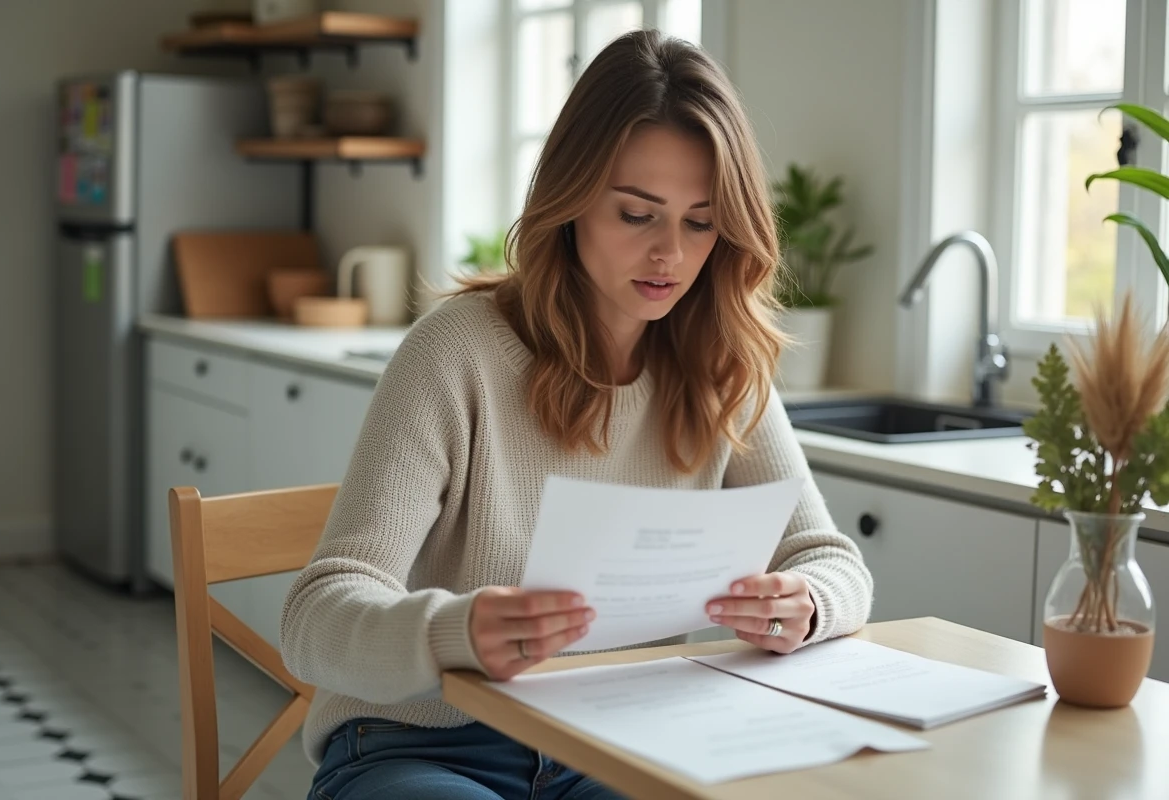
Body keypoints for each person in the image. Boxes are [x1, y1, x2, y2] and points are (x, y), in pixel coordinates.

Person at [280, 29, 873, 800]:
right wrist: (450, 630)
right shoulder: (457, 351)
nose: (671, 254)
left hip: (615, 746)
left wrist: (808, 604)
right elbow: (314, 618)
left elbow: (833, 563)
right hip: (422, 745)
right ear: (571, 202)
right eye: (637, 214)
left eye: (700, 222)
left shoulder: (721, 363)